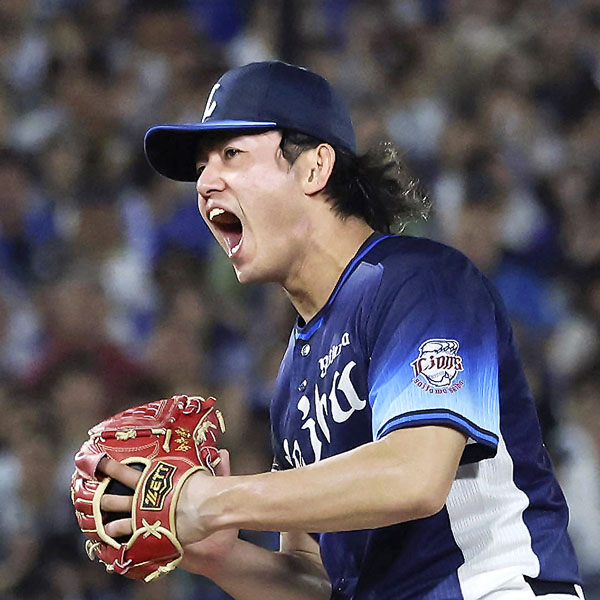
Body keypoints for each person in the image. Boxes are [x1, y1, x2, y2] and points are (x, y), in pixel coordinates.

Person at [98, 61, 584, 600]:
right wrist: (218, 556)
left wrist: (213, 501)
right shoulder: (293, 377)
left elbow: (416, 475)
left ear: (314, 168)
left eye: (231, 154)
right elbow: (321, 583)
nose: (206, 183)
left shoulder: (418, 281)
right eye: (201, 167)